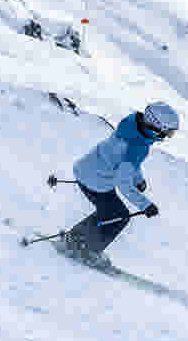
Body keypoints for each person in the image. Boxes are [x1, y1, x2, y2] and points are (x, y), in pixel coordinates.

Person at [60, 102, 179, 266]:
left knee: (110, 212)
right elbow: (123, 182)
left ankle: (74, 239)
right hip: (96, 181)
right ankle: (86, 250)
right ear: (156, 127)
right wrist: (145, 205)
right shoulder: (138, 146)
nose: (167, 136)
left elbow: (125, 161)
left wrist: (138, 179)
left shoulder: (131, 125)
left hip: (87, 169)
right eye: (168, 132)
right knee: (119, 216)